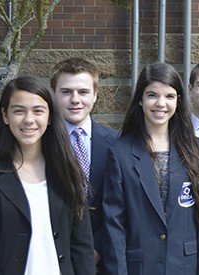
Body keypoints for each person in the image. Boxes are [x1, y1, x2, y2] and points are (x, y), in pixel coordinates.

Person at [102, 63, 199, 274]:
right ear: (140, 99)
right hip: (140, 267)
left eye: (169, 96)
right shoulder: (120, 151)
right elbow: (113, 224)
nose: (161, 103)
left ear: (179, 100)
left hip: (184, 266)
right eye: (152, 95)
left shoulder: (197, 149)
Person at [0, 75, 94, 275]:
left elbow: (81, 246)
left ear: (50, 116)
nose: (29, 120)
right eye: (19, 111)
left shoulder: (67, 171)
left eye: (38, 111)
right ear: (5, 116)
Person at [50, 57, 118, 267]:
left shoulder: (118, 143)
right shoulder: (41, 143)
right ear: (53, 94)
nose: (75, 99)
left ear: (96, 95)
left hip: (105, 256)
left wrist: (96, 248)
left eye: (83, 92)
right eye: (66, 92)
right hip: (54, 256)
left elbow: (123, 205)